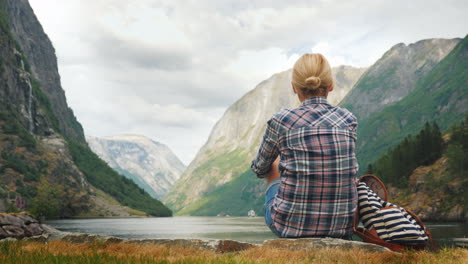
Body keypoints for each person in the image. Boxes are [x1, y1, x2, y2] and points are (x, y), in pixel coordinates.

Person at [251, 53, 358, 239]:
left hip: (289, 228)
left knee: (275, 163)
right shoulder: (348, 120)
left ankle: (292, 212)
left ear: (294, 87)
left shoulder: (281, 121)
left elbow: (260, 168)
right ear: (331, 85)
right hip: (343, 227)